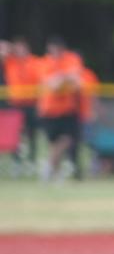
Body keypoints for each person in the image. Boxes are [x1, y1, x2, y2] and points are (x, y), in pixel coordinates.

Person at [36, 36, 84, 182]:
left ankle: (48, 167)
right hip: (49, 109)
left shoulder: (71, 59)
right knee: (53, 143)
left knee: (67, 139)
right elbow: (51, 84)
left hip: (67, 109)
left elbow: (76, 79)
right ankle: (54, 174)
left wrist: (60, 77)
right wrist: (65, 77)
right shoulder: (44, 62)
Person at [1, 37, 41, 170]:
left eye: (22, 48)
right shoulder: (10, 62)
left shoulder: (34, 61)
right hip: (16, 103)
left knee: (32, 133)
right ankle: (16, 162)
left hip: (31, 102)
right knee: (15, 133)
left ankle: (31, 160)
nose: (20, 51)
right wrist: (10, 48)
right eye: (17, 49)